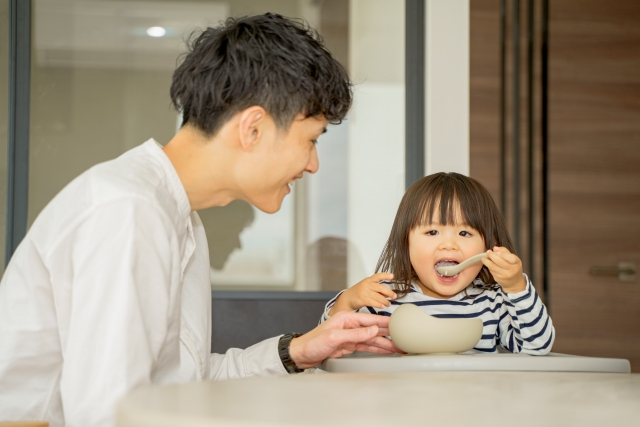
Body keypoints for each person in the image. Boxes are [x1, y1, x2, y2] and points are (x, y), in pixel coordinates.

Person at [0, 14, 399, 427]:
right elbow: (106, 414)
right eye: (311, 140)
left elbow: (182, 380)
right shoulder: (126, 211)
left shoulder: (178, 215)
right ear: (253, 128)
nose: (313, 165)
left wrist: (298, 350)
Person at [321, 172, 555, 355]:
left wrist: (516, 287)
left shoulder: (493, 302)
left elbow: (537, 347)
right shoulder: (384, 299)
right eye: (432, 231)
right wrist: (346, 301)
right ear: (406, 242)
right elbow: (329, 345)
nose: (449, 245)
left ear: (488, 247)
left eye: (464, 233)